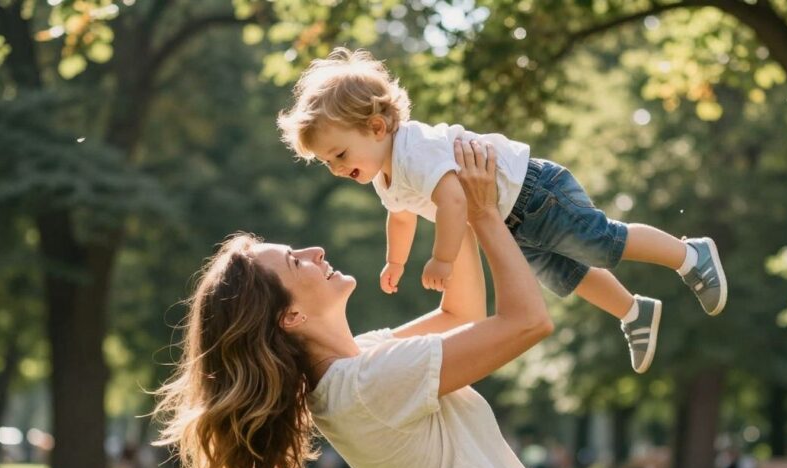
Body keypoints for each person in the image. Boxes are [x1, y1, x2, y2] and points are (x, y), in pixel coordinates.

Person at [154, 140, 560, 468]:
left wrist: (446, 200)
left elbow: (461, 315)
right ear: (291, 317)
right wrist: (483, 214)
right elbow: (528, 321)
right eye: (296, 261)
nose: (315, 252)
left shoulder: (357, 366)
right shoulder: (368, 381)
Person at [277, 48, 729, 374]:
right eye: (327, 163)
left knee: (600, 242)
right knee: (564, 275)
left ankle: (690, 255)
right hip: (508, 219)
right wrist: (396, 261)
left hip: (533, 192)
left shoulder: (414, 150)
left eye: (338, 154)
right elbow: (400, 216)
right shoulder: (383, 175)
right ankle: (633, 311)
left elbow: (454, 199)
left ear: (376, 127)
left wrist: (444, 259)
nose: (336, 168)